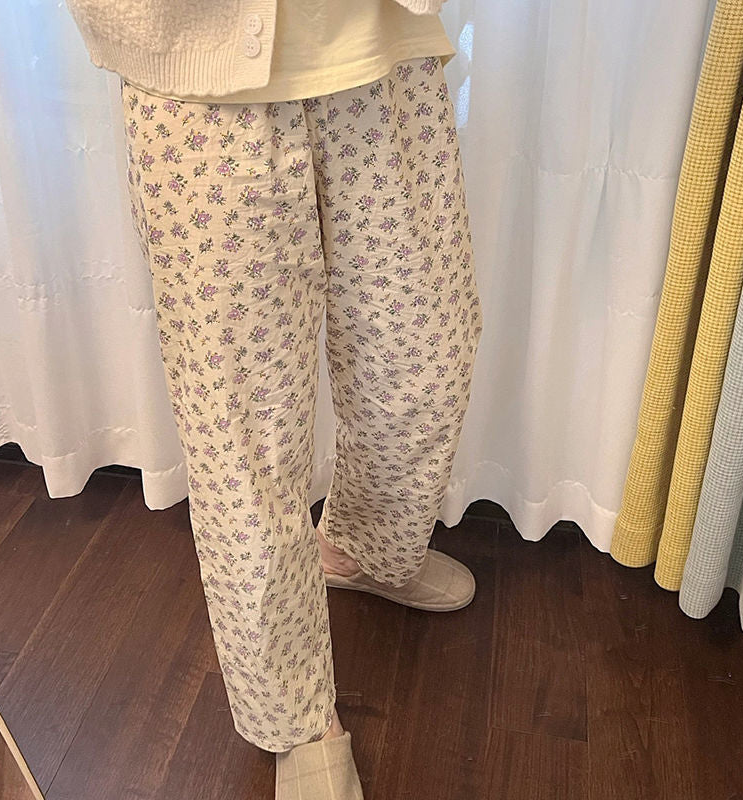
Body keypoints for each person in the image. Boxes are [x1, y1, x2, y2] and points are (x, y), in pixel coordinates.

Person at [65, 1, 483, 797]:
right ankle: (294, 716)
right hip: (201, 95)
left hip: (380, 62)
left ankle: (362, 551)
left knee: (425, 358)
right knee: (244, 438)